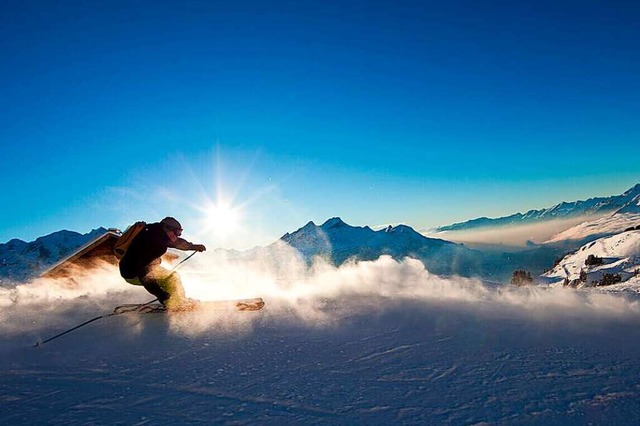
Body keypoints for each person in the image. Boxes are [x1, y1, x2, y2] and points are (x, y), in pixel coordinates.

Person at [119, 217, 206, 310]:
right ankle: (174, 304)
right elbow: (144, 273)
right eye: (177, 232)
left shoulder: (157, 233)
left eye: (179, 233)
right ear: (167, 228)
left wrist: (192, 246)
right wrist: (160, 293)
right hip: (133, 272)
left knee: (173, 276)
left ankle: (179, 300)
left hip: (136, 268)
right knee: (170, 279)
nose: (178, 235)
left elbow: (177, 242)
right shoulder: (154, 242)